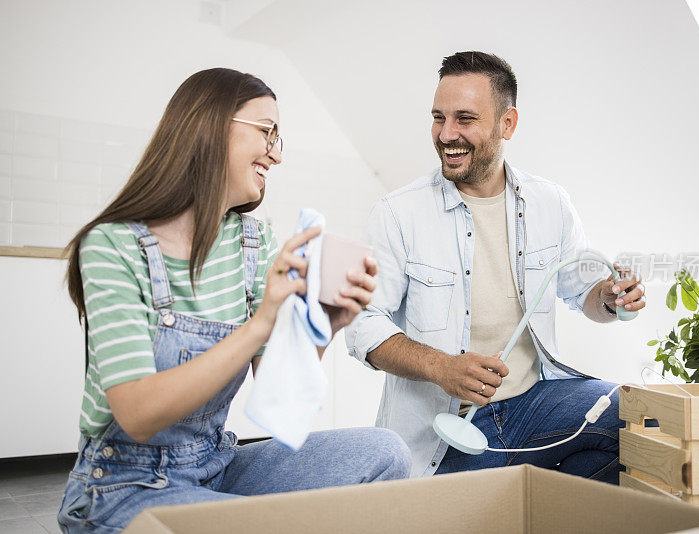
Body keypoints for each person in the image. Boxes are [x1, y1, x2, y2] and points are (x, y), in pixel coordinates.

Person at [58, 68, 410, 533]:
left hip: (215, 465)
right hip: (123, 485)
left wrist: (324, 325)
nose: (275, 154)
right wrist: (260, 324)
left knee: (387, 454)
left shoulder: (252, 242)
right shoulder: (111, 245)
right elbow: (137, 414)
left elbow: (279, 395)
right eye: (267, 132)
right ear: (210, 124)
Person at [346, 51, 646, 480]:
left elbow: (585, 294)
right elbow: (362, 326)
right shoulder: (397, 213)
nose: (446, 134)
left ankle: (551, 509)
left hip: (534, 404)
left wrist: (612, 298)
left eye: (464, 119)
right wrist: (443, 368)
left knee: (635, 417)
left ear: (507, 124)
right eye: (438, 118)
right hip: (445, 432)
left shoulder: (550, 203)